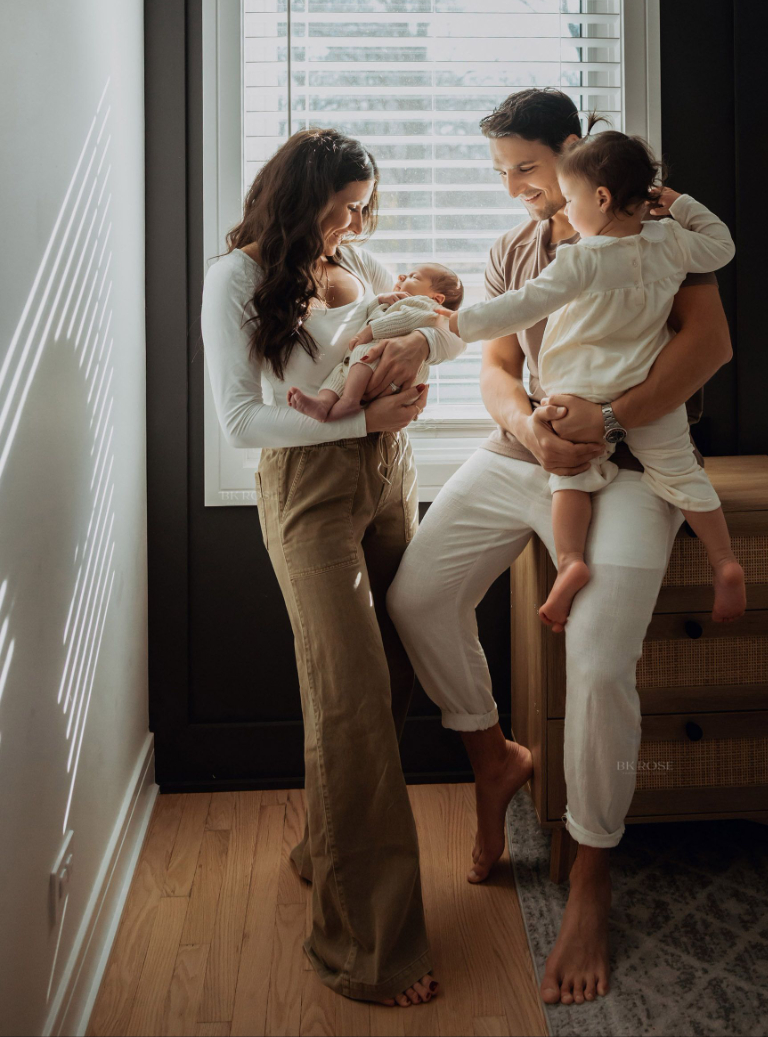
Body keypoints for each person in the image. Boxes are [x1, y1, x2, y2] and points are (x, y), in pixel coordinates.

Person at [386, 89, 733, 1007]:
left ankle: (588, 872)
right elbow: (500, 365)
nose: (512, 191)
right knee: (418, 598)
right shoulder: (513, 250)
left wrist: (610, 420)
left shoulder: (652, 220)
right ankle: (493, 754)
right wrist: (536, 437)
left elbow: (708, 346)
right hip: (524, 455)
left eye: (526, 170)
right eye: (500, 174)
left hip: (626, 465)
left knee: (597, 663)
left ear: (575, 155)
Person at [199, 128, 462, 1009]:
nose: (355, 221)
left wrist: (412, 378)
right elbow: (240, 421)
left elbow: (408, 331)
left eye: (364, 206)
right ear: (296, 194)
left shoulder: (360, 256)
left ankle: (325, 851)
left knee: (389, 680)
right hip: (312, 489)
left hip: (390, 475)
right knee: (349, 701)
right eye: (343, 205)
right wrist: (358, 423)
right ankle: (368, 949)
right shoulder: (233, 279)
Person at [446, 128, 744, 631]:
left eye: (573, 199)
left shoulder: (581, 259)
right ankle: (725, 561)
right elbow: (723, 246)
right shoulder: (672, 241)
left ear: (601, 198)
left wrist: (455, 324)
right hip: (649, 394)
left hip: (580, 392)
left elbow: (519, 307)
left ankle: (570, 562)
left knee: (570, 478)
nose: (568, 210)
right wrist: (682, 204)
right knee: (683, 477)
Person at [287, 262, 464, 422]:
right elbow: (373, 313)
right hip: (365, 364)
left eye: (414, 277)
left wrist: (370, 331)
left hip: (383, 360)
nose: (402, 277)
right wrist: (379, 300)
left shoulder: (423, 304)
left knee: (363, 354)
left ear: (437, 299)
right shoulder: (397, 300)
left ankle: (350, 401)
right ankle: (323, 403)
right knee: (339, 374)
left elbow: (405, 319)